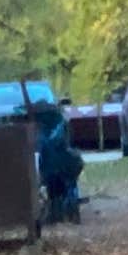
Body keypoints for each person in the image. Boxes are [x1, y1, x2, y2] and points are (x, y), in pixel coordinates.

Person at [33, 95, 83, 223]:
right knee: (67, 183)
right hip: (66, 163)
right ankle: (67, 209)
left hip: (54, 166)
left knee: (55, 184)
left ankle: (59, 210)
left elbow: (45, 147)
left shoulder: (42, 130)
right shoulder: (59, 123)